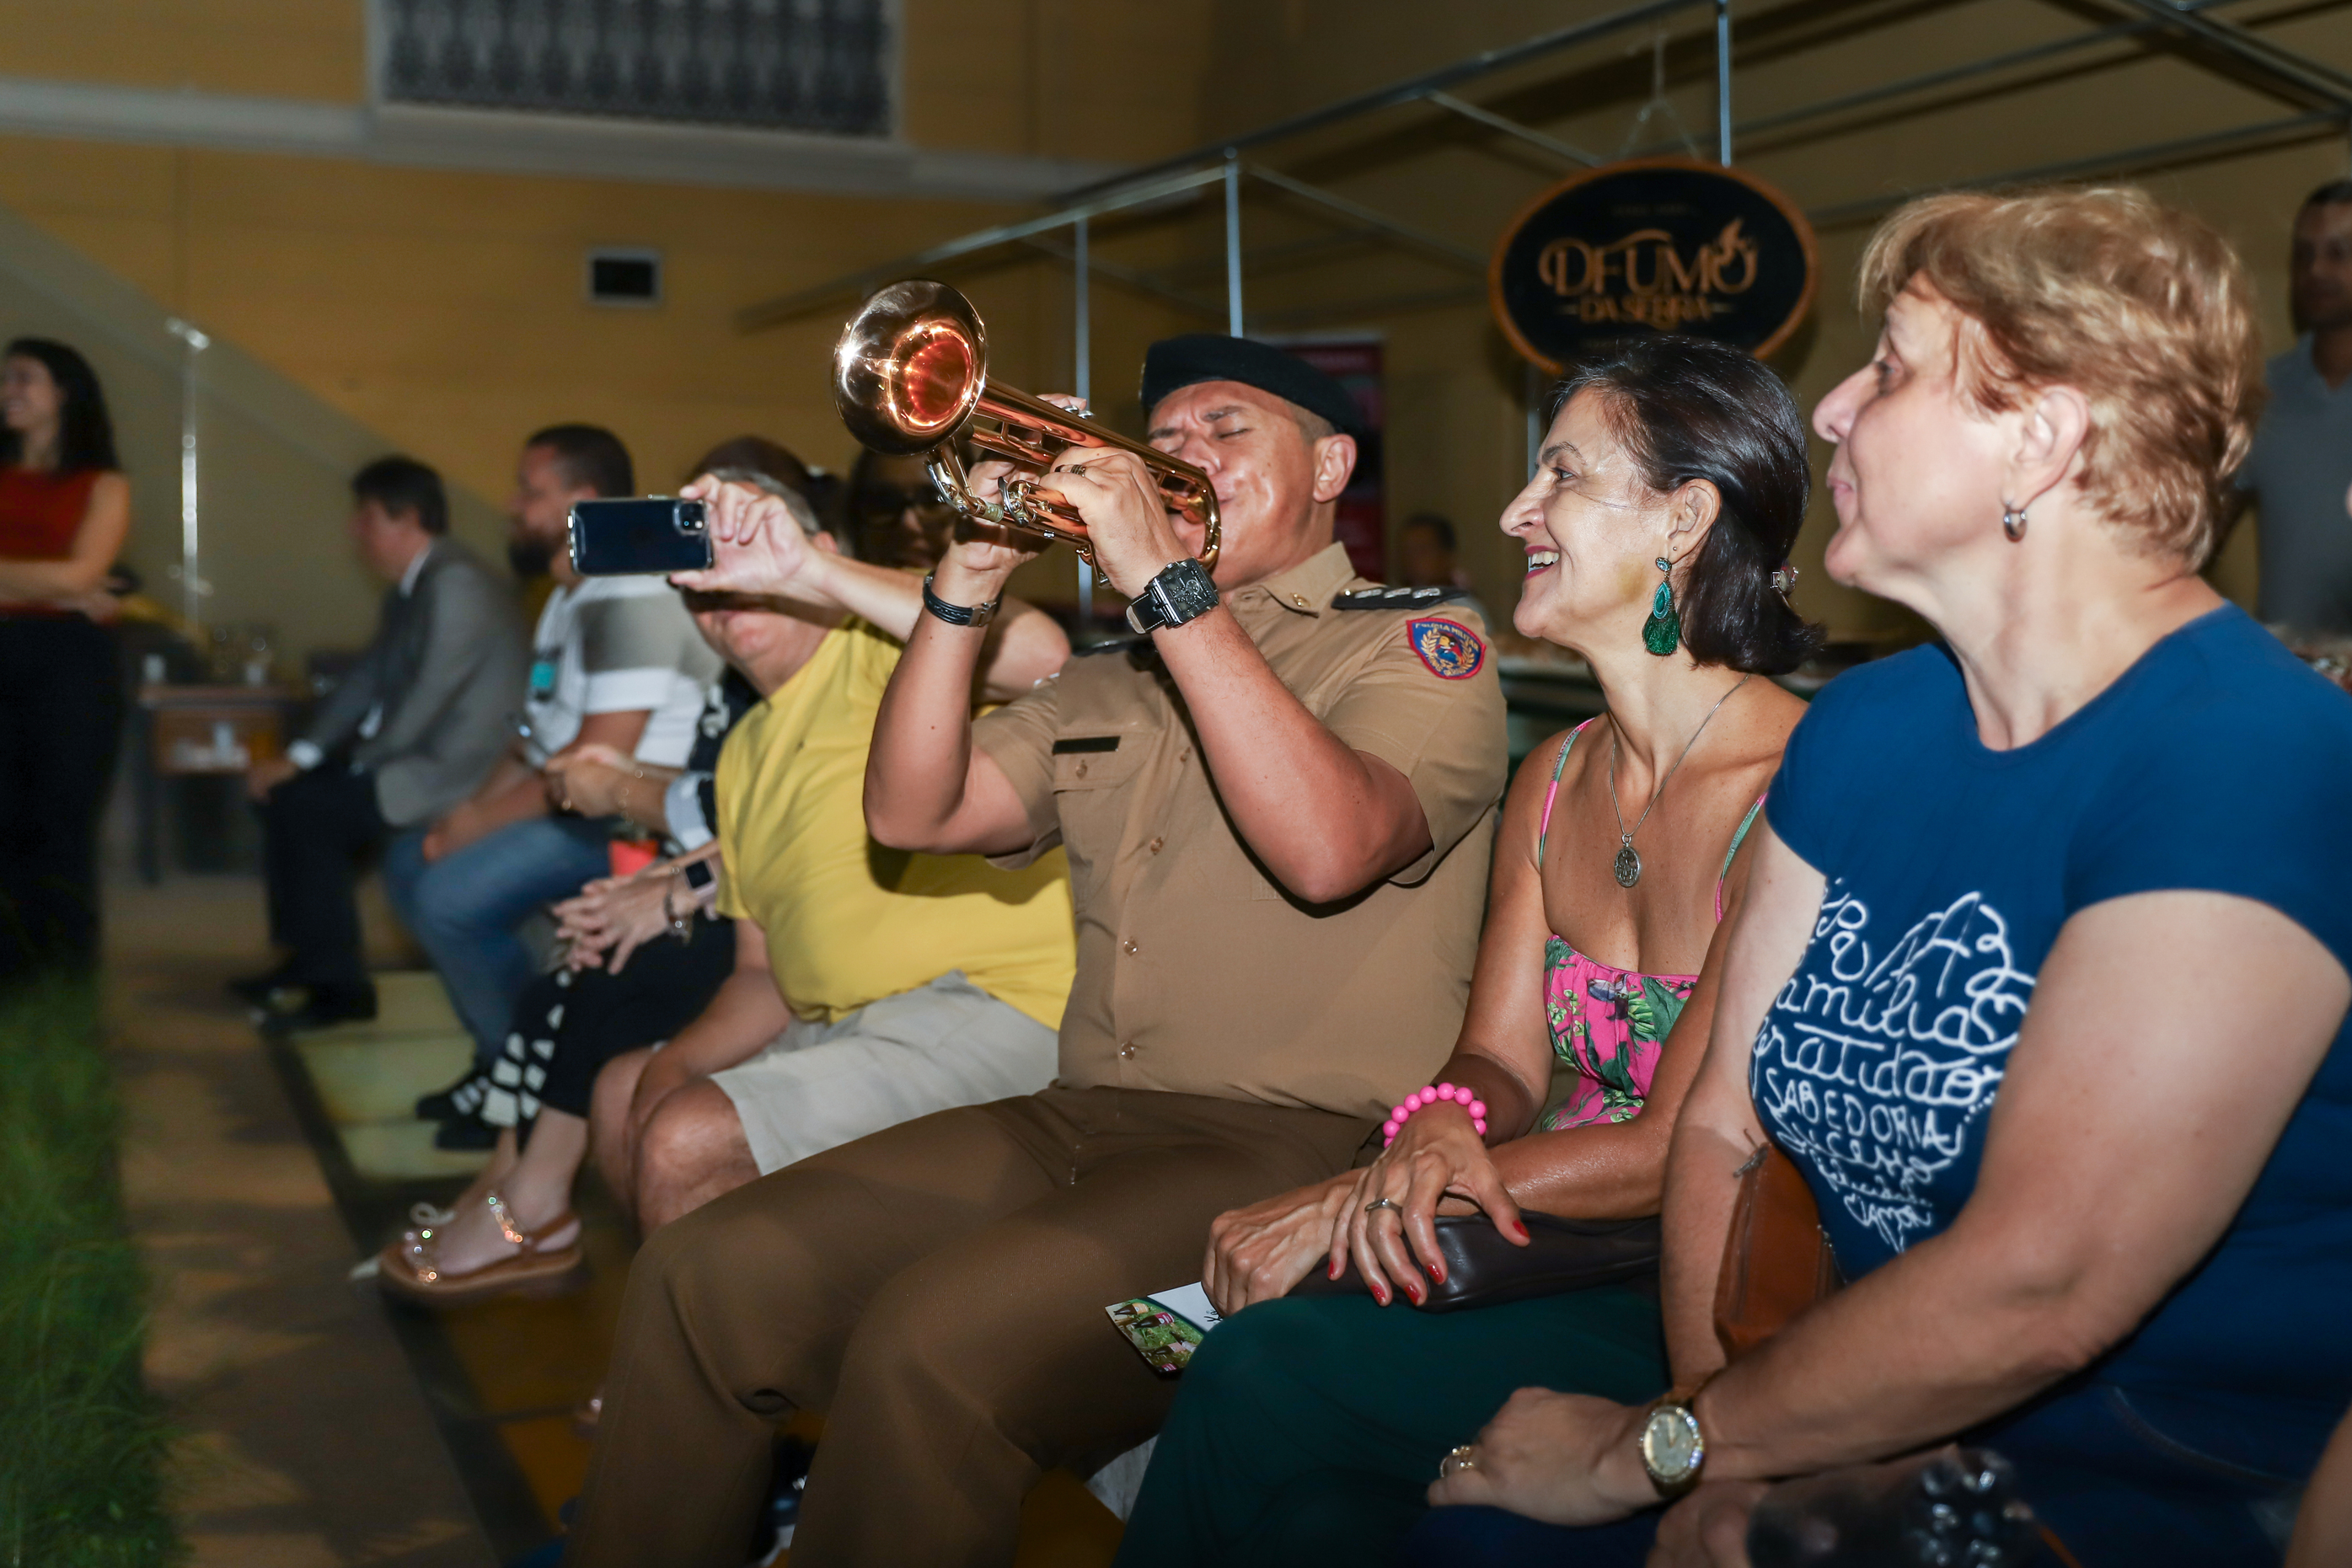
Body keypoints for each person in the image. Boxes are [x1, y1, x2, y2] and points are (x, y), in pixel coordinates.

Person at [1409, 186, 2352, 1568]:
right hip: (1833, 1414)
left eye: (1893, 369)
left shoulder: (2251, 753)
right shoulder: (1864, 728)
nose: (1835, 409)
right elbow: (1722, 1134)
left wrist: (1652, 1451)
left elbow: (2046, 1285)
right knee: (1462, 1527)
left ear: (2039, 437)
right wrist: (1712, 1448)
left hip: (2155, 1476)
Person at [566, 335, 1510, 1568]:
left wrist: (1170, 590)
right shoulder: (1112, 678)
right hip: (1073, 1116)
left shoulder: (1418, 644)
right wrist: (963, 581)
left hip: (1290, 1144)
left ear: (1330, 462)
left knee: (932, 1343)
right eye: (1161, 440)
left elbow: (1329, 846)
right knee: (704, 1269)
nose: (1184, 459)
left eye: (1227, 431)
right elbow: (915, 813)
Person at [1116, 336, 1819, 1565]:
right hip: (1540, 1243)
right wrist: (1443, 1117)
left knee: (1262, 1367)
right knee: (1313, 1508)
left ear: (1683, 518)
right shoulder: (1554, 778)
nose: (1514, 512)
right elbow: (1495, 1057)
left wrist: (1366, 1192)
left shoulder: (1800, 788)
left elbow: (1677, 1146)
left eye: (1557, 476)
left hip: (1703, 1295)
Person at [376, 472, 1077, 1302]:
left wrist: (806, 575)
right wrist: (674, 1065)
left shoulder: (898, 652)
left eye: (748, 558)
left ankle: (695, 1389)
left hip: (987, 1004)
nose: (726, 587)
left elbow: (1042, 659)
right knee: (621, 1089)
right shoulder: (745, 753)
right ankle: (722, 1359)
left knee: (681, 1129)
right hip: (841, 1021)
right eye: (700, 573)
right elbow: (758, 972)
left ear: (817, 554)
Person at [390, 425, 720, 1143]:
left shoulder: (629, 594)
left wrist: (474, 829)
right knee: (412, 857)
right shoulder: (572, 593)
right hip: (581, 801)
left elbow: (595, 761)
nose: (512, 506)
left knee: (448, 895)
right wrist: (467, 810)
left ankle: (525, 1076)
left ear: (586, 501)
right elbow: (533, 737)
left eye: (530, 492)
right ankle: (501, 1055)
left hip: (638, 819)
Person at [233, 457, 523, 1030]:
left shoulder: (456, 582)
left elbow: (427, 700)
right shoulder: (414, 586)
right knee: (286, 793)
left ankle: (338, 987)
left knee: (313, 809)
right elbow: (365, 679)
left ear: (408, 517)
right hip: (412, 752)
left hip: (459, 770)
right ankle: (310, 956)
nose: (354, 531)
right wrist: (302, 756)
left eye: (365, 517)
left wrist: (351, 768)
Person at [0, 338, 130, 981]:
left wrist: (62, 582)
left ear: (65, 392)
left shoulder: (103, 483)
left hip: (70, 665)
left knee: (63, 820)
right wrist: (61, 584)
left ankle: (66, 975)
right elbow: (73, 582)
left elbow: (87, 572)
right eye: (5, 379)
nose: (8, 390)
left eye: (24, 378)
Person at [2240, 179, 2352, 631]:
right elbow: (2197, 531)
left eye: (2339, 252)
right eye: (2303, 255)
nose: (2316, 270)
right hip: (2294, 678)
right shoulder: (2260, 392)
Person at [1397, 511, 1489, 626]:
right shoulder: (1396, 605)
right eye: (1407, 551)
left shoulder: (1464, 609)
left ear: (1446, 555)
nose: (1412, 559)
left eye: (1422, 550)